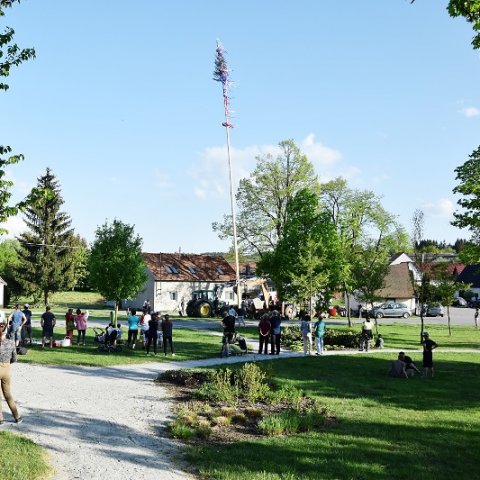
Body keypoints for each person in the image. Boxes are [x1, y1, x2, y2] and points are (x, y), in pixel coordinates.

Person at [0, 320, 22, 424]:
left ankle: (0, 418)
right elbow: (14, 358)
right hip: (7, 368)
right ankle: (17, 416)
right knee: (8, 394)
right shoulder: (11, 342)